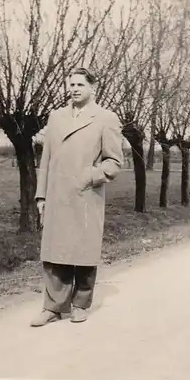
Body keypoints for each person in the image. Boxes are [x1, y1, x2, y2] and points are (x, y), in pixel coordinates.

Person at [31, 67, 124, 327]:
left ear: (93, 88)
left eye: (79, 85)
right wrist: (41, 195)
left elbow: (115, 162)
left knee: (83, 251)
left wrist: (89, 176)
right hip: (57, 194)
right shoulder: (56, 117)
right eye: (70, 84)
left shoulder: (105, 118)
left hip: (86, 195)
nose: (73, 89)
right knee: (54, 251)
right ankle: (52, 307)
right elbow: (46, 160)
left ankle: (81, 303)